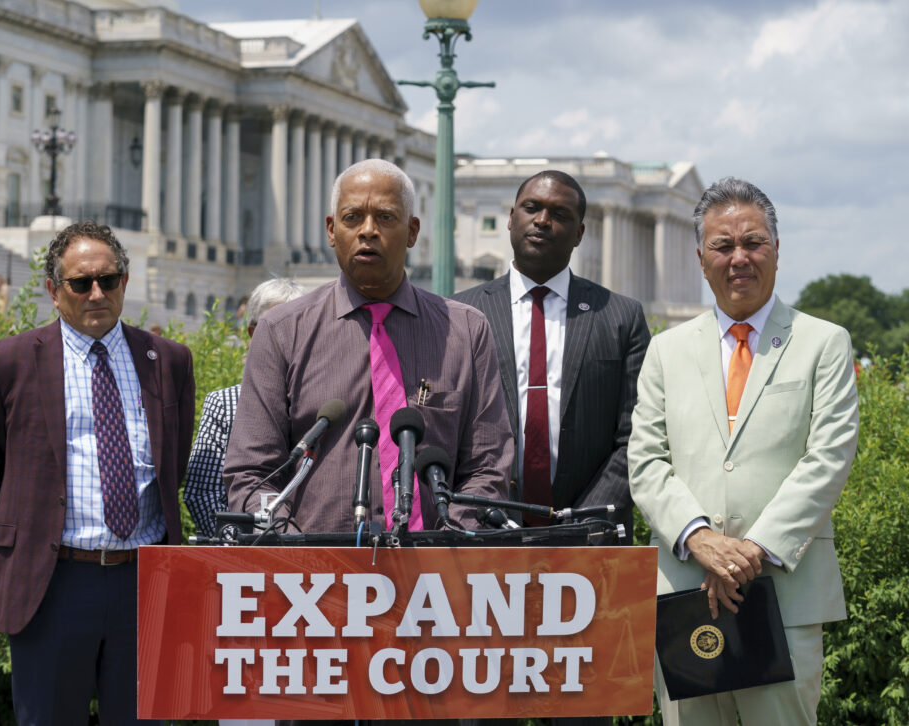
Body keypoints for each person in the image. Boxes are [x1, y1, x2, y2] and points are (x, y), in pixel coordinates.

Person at [628, 177, 859, 725]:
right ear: (701, 258)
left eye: (753, 242)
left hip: (786, 595)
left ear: (777, 250)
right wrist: (700, 538)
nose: (739, 258)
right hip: (687, 596)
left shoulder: (823, 343)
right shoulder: (666, 351)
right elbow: (646, 461)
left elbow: (827, 458)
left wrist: (749, 551)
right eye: (723, 245)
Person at [0, 221, 195, 724]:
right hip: (52, 582)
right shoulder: (10, 361)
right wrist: (33, 527)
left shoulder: (168, 362)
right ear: (52, 290)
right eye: (80, 283)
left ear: (125, 284)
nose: (96, 293)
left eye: (108, 281)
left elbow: (173, 461)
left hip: (143, 581)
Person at [225, 159, 513, 532]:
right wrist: (294, 549)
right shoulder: (280, 331)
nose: (368, 231)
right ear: (331, 230)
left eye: (386, 218)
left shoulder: (466, 331)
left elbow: (489, 466)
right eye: (352, 217)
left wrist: (444, 544)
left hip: (437, 575)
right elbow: (252, 474)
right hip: (313, 579)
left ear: (412, 232)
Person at [455, 170, 649, 542]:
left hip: (593, 536)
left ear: (579, 233)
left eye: (560, 214)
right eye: (532, 208)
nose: (543, 221)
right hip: (484, 536)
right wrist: (477, 515)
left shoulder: (621, 317)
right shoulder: (461, 314)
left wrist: (584, 524)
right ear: (512, 218)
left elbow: (636, 436)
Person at [184, 276, 307, 539]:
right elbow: (202, 491)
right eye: (275, 330)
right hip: (244, 561)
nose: (287, 341)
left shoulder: (325, 406)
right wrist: (243, 544)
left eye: (299, 330)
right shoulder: (224, 403)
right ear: (252, 334)